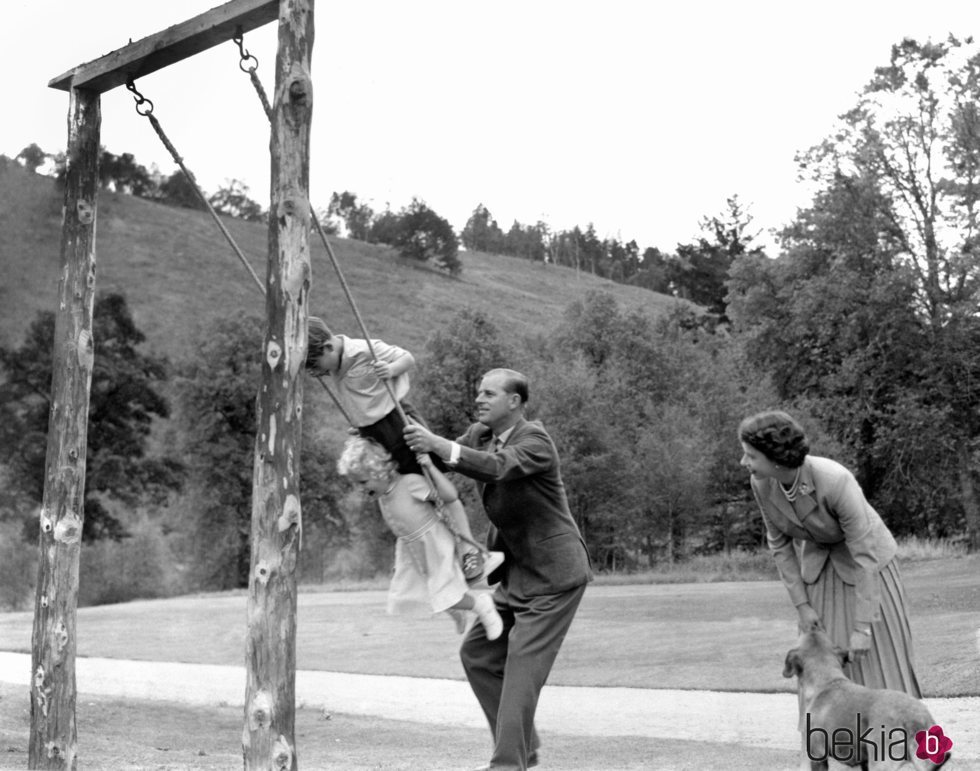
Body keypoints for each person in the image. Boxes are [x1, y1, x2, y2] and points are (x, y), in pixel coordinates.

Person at [404, 368, 593, 771]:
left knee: (522, 671)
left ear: (516, 402)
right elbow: (436, 455)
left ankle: (508, 765)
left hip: (554, 576)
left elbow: (495, 467)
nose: (479, 399)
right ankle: (524, 747)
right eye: (478, 392)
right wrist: (392, 414)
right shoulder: (480, 434)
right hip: (515, 574)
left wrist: (437, 443)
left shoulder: (535, 440)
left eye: (489, 393)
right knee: (478, 654)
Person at [737, 410, 921, 734]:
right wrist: (802, 606)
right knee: (820, 653)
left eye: (751, 455)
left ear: (776, 458)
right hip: (820, 567)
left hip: (869, 565)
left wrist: (863, 627)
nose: (744, 462)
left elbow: (865, 555)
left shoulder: (835, 480)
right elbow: (779, 545)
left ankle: (903, 738)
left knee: (874, 656)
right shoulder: (761, 483)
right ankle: (833, 739)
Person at [306, 316, 486, 581]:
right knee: (396, 493)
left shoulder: (363, 349)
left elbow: (407, 358)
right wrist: (361, 422)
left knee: (437, 488)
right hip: (372, 433)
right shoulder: (331, 360)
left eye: (315, 365)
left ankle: (469, 548)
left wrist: (390, 370)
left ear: (327, 348)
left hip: (397, 422)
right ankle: (431, 555)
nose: (317, 372)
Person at [337, 436, 504, 638]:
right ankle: (456, 611)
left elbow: (448, 496)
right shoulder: (383, 497)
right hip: (414, 549)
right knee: (415, 595)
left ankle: (482, 606)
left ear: (379, 472)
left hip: (434, 544)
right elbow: (400, 528)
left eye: (363, 481)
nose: (361, 488)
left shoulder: (409, 484)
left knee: (443, 591)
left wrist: (431, 469)